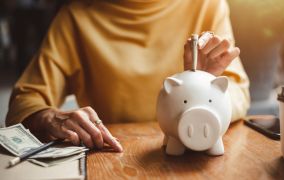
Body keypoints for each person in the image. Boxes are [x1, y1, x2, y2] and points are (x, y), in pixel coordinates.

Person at [6, 0, 250, 152]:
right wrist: (51, 117)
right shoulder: (75, 18)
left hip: (192, 156)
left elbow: (239, 91)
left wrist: (204, 86)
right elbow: (22, 102)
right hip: (114, 157)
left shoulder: (207, 4)